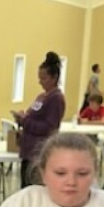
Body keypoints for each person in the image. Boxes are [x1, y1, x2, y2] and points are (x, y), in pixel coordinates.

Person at [11, 51, 66, 187]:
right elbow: (32, 116)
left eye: (44, 78)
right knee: (26, 189)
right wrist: (22, 118)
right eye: (39, 78)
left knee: (35, 190)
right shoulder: (41, 96)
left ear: (54, 78)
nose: (40, 82)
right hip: (28, 151)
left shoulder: (56, 99)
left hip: (39, 153)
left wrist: (25, 121)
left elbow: (49, 127)